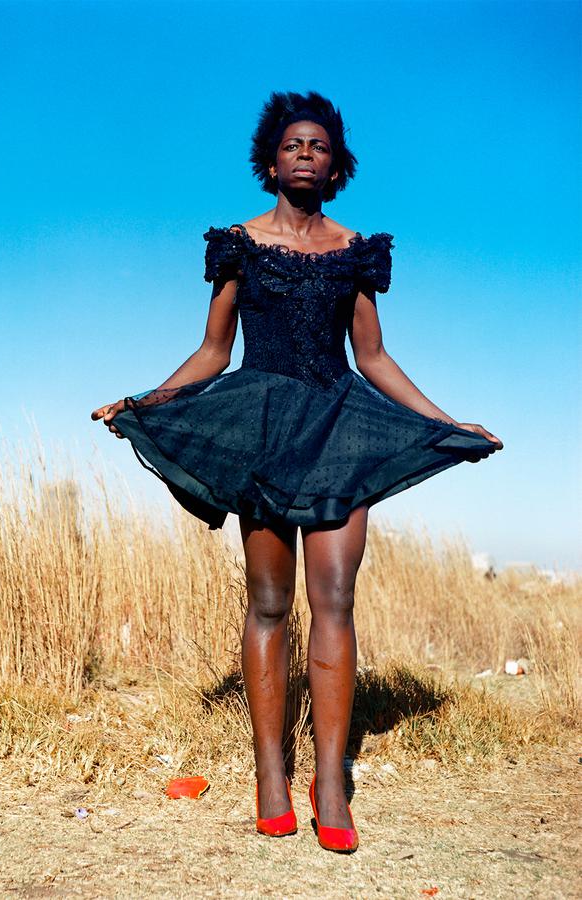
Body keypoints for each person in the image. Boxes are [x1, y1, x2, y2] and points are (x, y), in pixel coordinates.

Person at [90, 90, 503, 853]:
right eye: (292, 145)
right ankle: (270, 773)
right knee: (272, 601)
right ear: (271, 162)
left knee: (336, 597)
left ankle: (333, 780)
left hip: (341, 430)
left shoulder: (354, 252)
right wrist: (147, 400)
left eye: (318, 144)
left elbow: (372, 357)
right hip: (266, 432)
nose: (305, 153)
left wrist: (446, 423)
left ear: (336, 163)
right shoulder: (239, 246)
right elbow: (214, 351)